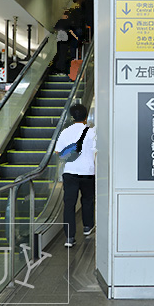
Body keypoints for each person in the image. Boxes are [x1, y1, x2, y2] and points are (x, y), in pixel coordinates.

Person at [54, 104, 96, 247]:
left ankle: (69, 237)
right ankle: (87, 227)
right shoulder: (92, 132)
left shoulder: (65, 132)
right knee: (88, 199)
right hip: (88, 172)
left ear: (72, 117)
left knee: (69, 204)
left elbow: (58, 152)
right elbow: (98, 150)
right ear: (85, 117)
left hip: (70, 172)